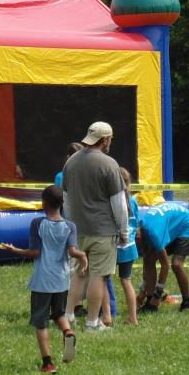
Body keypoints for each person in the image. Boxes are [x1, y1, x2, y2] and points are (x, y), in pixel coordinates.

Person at [4, 184, 87, 375]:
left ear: (44, 203)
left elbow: (35, 252)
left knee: (41, 322)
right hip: (61, 280)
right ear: (61, 204)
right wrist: (83, 257)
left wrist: (14, 250)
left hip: (42, 281)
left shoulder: (37, 224)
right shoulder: (70, 226)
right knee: (59, 314)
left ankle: (48, 363)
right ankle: (68, 332)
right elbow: (73, 251)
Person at [62, 121, 127, 330]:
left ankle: (68, 316)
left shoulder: (70, 163)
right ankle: (92, 323)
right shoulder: (109, 164)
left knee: (80, 273)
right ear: (106, 140)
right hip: (103, 230)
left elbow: (67, 199)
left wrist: (71, 226)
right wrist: (124, 230)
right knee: (99, 276)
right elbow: (119, 203)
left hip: (78, 229)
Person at [138, 199, 189, 311]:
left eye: (138, 246)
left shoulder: (153, 234)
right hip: (173, 223)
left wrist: (158, 295)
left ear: (138, 238)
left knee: (176, 264)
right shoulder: (141, 227)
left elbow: (164, 266)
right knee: (149, 258)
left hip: (187, 224)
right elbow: (146, 260)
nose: (139, 249)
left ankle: (187, 302)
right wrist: (143, 290)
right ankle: (149, 301)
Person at [116, 168, 140, 323]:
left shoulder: (114, 200)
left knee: (102, 279)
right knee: (126, 280)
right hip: (130, 246)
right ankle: (133, 317)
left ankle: (106, 316)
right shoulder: (133, 200)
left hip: (115, 246)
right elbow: (136, 222)